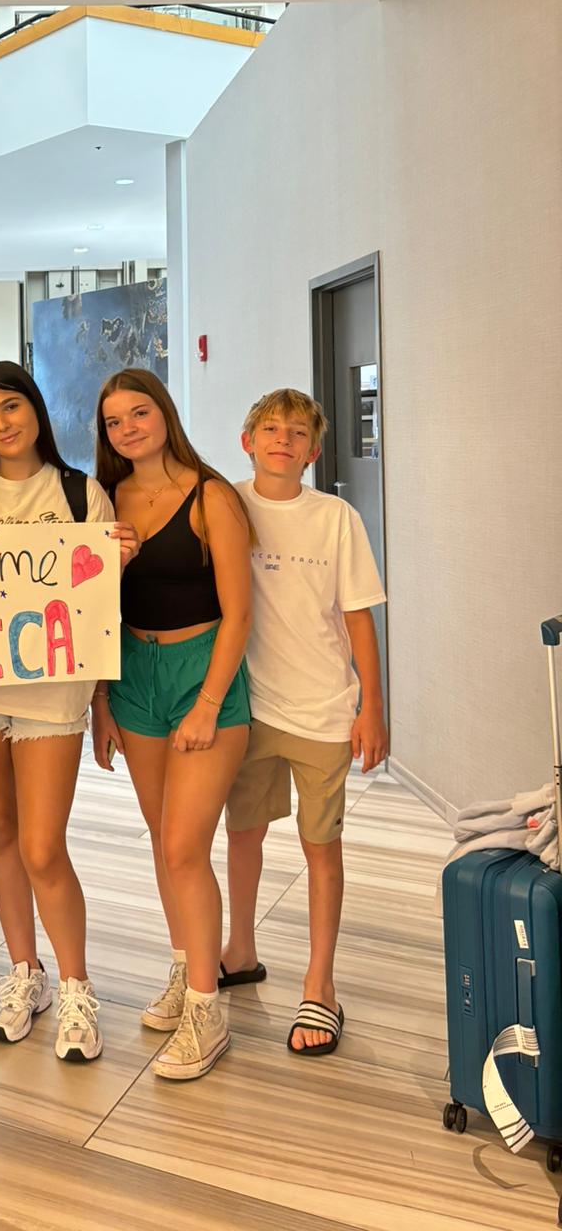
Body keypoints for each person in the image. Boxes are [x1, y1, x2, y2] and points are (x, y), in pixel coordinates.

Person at [0, 361, 134, 1064]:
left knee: (43, 847)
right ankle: (26, 973)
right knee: (0, 834)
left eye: (11, 407)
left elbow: (100, 609)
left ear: (36, 409)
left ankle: (77, 985)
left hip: (54, 694)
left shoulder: (80, 493)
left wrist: (102, 700)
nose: (1, 424)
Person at [92, 369, 252, 1081]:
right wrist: (101, 701)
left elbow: (240, 613)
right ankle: (187, 966)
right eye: (114, 421)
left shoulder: (212, 495)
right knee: (165, 842)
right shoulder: (107, 498)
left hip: (202, 673)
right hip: (133, 674)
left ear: (165, 414)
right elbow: (90, 606)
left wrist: (209, 703)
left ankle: (207, 1012)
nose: (128, 429)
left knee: (186, 847)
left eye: (139, 413)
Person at [221, 388, 387, 1056]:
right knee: (243, 833)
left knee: (321, 845)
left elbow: (358, 617)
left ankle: (321, 983)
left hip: (323, 710)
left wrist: (372, 706)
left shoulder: (336, 518)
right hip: (249, 708)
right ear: (248, 441)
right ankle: (239, 948)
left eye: (296, 433)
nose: (282, 441)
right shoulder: (227, 505)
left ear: (314, 451)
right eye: (270, 429)